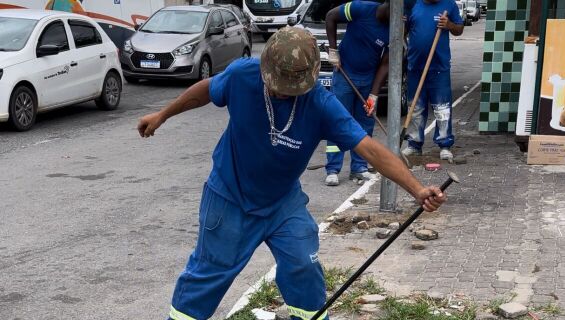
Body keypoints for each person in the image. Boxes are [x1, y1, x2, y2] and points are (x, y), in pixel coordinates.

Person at [137, 27, 448, 320]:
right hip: (229, 196)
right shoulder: (242, 75)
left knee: (303, 264)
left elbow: (369, 149)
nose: (281, 93)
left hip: (283, 203)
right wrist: (162, 115)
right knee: (209, 274)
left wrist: (416, 189)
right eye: (277, 84)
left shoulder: (322, 104)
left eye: (290, 87)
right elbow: (206, 90)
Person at [323, 0, 390, 186]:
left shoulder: (395, 29)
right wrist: (333, 49)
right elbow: (330, 17)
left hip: (368, 79)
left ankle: (359, 168)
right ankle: (332, 169)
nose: (402, 19)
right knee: (338, 120)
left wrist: (374, 95)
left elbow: (386, 63)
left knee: (365, 124)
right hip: (345, 74)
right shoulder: (359, 8)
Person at [402, 0, 463, 161]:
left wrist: (449, 25)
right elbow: (403, 31)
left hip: (439, 67)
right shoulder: (413, 4)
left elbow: (459, 29)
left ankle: (444, 144)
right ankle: (414, 144)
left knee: (442, 108)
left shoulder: (449, 5)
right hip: (415, 66)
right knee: (415, 107)